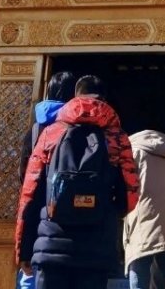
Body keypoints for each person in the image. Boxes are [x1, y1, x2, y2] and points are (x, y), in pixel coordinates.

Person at [16, 74, 139, 289]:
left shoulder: (51, 133)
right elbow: (130, 195)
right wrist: (105, 211)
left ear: (75, 97)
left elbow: (30, 193)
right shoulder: (117, 138)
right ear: (105, 99)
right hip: (96, 248)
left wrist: (24, 249)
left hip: (51, 243)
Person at [18, 72, 77, 289]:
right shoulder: (79, 130)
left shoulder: (35, 131)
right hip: (68, 220)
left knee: (29, 278)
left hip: (35, 216)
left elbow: (23, 180)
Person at [123, 130, 165, 289]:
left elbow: (126, 188)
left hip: (144, 224)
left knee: (139, 272)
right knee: (159, 282)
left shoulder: (133, 152)